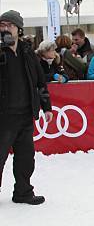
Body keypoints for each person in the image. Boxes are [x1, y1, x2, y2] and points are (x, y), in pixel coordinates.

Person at [0, 10, 52, 204]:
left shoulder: (27, 51)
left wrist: (46, 106)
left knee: (25, 158)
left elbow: (39, 81)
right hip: (3, 116)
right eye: (2, 25)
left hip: (25, 115)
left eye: (9, 25)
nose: (4, 28)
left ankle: (23, 192)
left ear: (18, 29)